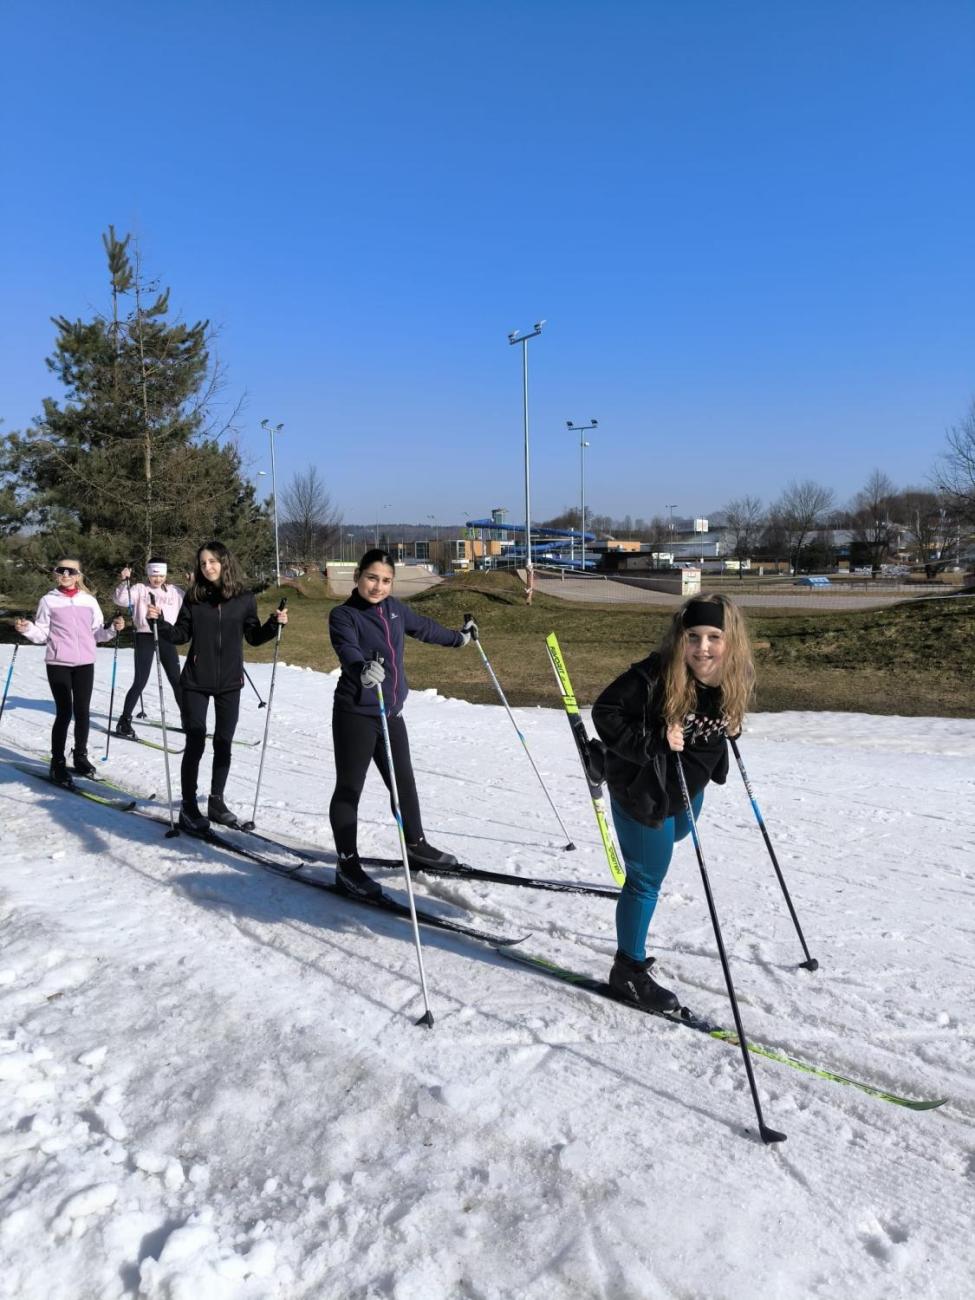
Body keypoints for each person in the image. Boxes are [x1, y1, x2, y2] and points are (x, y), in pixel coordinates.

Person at [591, 593, 755, 1011]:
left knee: (679, 833)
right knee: (646, 878)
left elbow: (713, 719)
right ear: (679, 638)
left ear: (729, 640)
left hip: (686, 787)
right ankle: (627, 970)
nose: (703, 647)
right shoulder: (652, 677)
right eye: (693, 636)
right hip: (643, 789)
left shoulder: (731, 675)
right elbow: (606, 711)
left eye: (713, 637)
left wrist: (730, 726)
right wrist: (650, 741)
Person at [328, 548, 477, 899]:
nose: (378, 586)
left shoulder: (395, 609)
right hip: (356, 713)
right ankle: (347, 865)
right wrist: (361, 669)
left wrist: (460, 638)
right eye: (371, 578)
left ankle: (416, 845)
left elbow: (425, 629)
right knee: (350, 787)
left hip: (390, 712)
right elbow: (347, 648)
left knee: (403, 782)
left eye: (385, 580)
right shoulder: (344, 615)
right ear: (358, 577)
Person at [148, 540, 287, 832]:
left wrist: (274, 624)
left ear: (225, 562)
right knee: (195, 740)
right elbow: (181, 634)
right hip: (196, 680)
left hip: (229, 683)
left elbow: (253, 636)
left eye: (212, 561)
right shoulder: (194, 597)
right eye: (203, 563)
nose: (208, 567)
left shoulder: (245, 598)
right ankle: (188, 806)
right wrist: (160, 623)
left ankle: (216, 801)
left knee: (223, 742)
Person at [14, 558, 125, 785]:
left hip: (85, 663)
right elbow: (43, 633)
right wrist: (27, 629)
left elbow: (97, 633)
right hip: (58, 663)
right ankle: (57, 763)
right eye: (60, 570)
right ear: (56, 574)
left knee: (82, 711)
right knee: (64, 712)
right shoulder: (48, 600)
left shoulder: (89, 601)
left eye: (70, 571)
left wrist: (113, 629)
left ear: (78, 575)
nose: (65, 574)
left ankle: (80, 756)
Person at [113, 559, 184, 737]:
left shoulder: (174, 591)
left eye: (161, 575)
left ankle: (188, 719)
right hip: (144, 635)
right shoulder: (139, 589)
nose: (157, 579)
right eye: (154, 575)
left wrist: (194, 583)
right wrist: (125, 581)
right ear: (148, 574)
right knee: (140, 680)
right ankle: (124, 721)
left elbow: (192, 602)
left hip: (167, 635)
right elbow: (120, 599)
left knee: (177, 680)